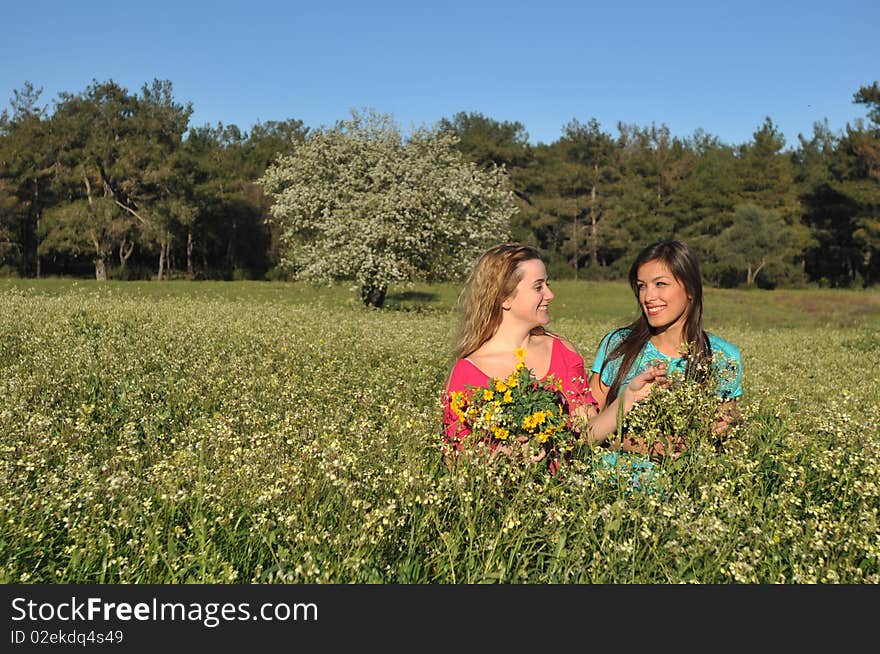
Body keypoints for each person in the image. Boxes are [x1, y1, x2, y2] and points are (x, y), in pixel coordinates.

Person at [441, 242, 667, 466]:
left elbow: (586, 433)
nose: (550, 294)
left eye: (547, 284)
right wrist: (500, 457)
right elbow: (454, 462)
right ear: (505, 298)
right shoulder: (468, 372)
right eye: (538, 287)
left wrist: (629, 397)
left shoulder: (562, 351)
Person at [588, 238, 743, 457]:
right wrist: (644, 445)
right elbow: (584, 432)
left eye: (660, 284)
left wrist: (727, 427)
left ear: (690, 289)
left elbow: (723, 435)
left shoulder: (722, 357)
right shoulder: (619, 345)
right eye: (642, 286)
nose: (648, 297)